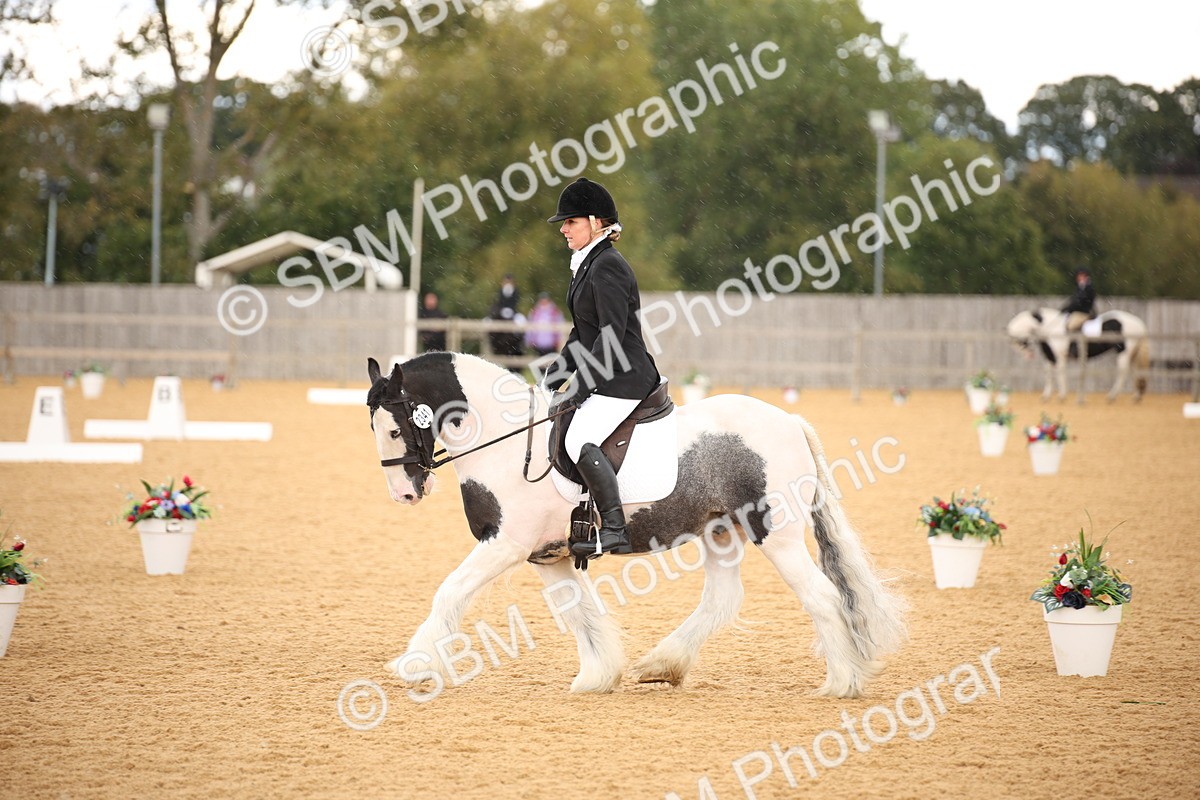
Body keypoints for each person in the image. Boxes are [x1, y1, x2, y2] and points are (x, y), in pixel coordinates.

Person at [545, 177, 660, 558]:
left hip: (626, 376)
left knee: (578, 439)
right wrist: (555, 377)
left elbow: (610, 338)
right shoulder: (588, 265)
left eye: (571, 222)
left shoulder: (607, 265)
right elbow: (583, 333)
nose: (563, 229)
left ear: (596, 223)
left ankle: (614, 528)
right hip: (608, 372)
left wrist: (579, 388)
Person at [487, 274, 525, 361]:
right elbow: (499, 303)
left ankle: (518, 338)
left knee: (521, 321)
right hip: (501, 312)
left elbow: (515, 303)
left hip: (513, 312)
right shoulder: (500, 292)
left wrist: (511, 310)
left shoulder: (516, 292)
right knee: (489, 321)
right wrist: (502, 311)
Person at [1062, 267, 1097, 333]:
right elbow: (1074, 300)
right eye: (1078, 275)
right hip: (1077, 313)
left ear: (1086, 276)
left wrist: (1070, 308)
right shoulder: (1079, 288)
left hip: (1084, 313)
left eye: (1081, 275)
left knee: (1070, 326)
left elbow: (1081, 302)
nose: (1078, 277)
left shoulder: (1088, 288)